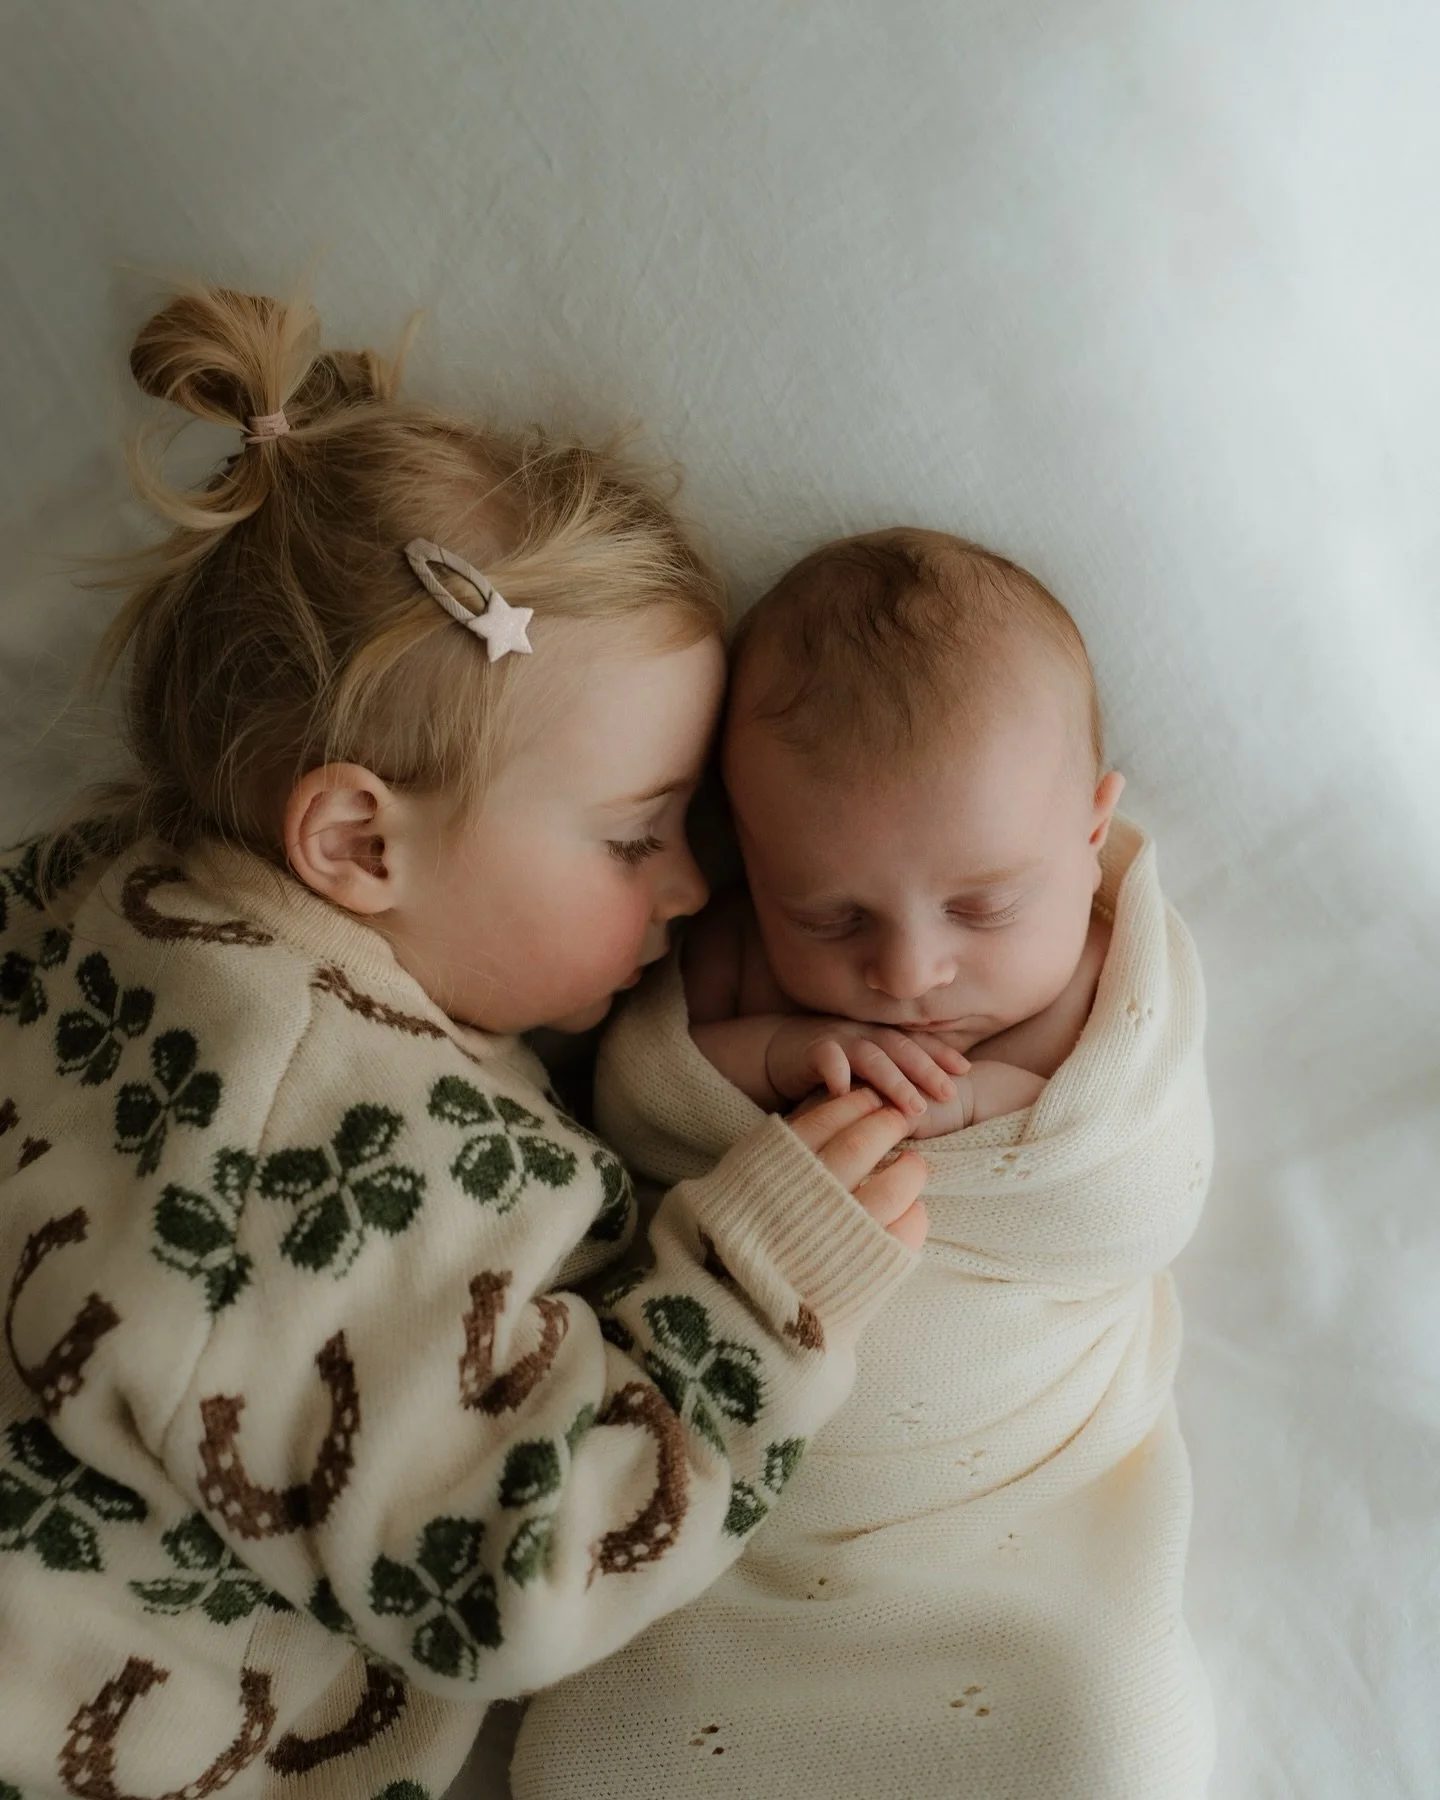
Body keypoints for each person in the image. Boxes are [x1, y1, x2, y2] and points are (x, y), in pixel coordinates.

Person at [0, 292, 928, 1800]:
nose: (692, 888)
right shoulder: (361, 1144)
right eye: (635, 836)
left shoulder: (76, 886)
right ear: (358, 843)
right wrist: (755, 1304)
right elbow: (506, 1574)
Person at [513, 529, 1214, 1799]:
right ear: (752, 864)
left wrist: (989, 1113)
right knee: (613, 1738)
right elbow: (639, 1112)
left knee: (1100, 1734)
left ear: (1091, 830)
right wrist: (778, 1059)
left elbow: (1142, 1196)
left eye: (983, 908)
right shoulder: (740, 960)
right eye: (830, 916)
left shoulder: (1110, 989)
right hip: (740, 1521)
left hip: (1018, 1521)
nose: (906, 973)